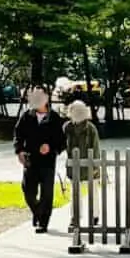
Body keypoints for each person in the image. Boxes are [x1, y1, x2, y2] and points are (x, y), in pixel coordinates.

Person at [13, 86, 66, 233]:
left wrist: (51, 148)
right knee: (28, 190)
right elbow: (18, 135)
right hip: (30, 160)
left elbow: (62, 141)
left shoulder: (55, 118)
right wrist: (19, 151)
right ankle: (37, 211)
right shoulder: (26, 116)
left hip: (48, 161)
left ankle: (43, 222)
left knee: (46, 193)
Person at [63, 100, 101, 231]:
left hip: (89, 164)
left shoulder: (91, 129)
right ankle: (75, 217)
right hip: (74, 165)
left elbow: (96, 148)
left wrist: (95, 166)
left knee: (93, 191)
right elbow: (63, 144)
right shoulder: (67, 127)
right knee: (75, 193)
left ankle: (95, 215)